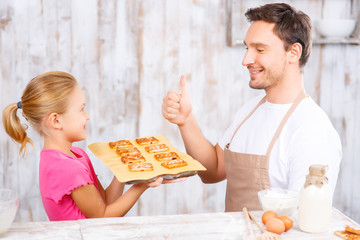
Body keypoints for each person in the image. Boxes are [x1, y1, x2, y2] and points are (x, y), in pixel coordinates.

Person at [162, 3, 342, 211]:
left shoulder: (312, 130)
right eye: (247, 48)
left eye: (260, 49)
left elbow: (303, 223)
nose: (246, 59)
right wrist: (186, 121)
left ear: (293, 52)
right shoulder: (250, 111)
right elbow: (212, 171)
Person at [2, 71, 166, 221]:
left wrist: (123, 169)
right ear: (56, 121)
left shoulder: (74, 155)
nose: (87, 116)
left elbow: (105, 202)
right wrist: (141, 186)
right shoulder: (67, 167)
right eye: (81, 109)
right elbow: (102, 217)